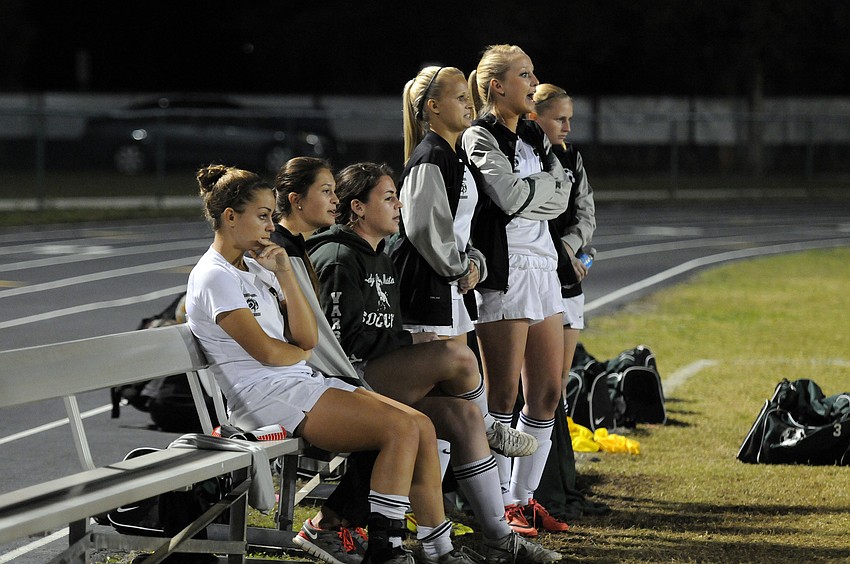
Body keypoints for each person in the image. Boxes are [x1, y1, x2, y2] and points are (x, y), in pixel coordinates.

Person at [184, 164, 452, 564]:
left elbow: (306, 337)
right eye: (263, 215)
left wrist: (285, 273)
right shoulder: (213, 277)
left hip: (299, 383)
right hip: (265, 399)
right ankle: (386, 550)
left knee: (421, 426)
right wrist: (295, 353)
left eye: (272, 216)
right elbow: (269, 353)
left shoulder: (258, 268)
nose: (271, 225)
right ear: (230, 216)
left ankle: (439, 551)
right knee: (400, 430)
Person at [308, 162, 562, 563]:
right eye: (389, 198)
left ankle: (477, 542)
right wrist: (413, 341)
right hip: (341, 383)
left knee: (461, 417)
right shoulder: (339, 256)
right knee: (455, 355)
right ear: (357, 207)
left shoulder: (381, 254)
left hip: (375, 375)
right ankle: (491, 426)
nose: (398, 206)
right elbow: (342, 343)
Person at [461, 44, 572, 536]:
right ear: (497, 87)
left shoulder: (532, 132)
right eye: (524, 75)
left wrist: (535, 196)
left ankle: (522, 500)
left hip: (544, 265)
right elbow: (503, 198)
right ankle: (495, 509)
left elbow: (563, 190)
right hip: (506, 272)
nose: (534, 82)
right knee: (502, 400)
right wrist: (538, 193)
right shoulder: (477, 136)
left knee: (546, 392)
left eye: (533, 72)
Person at [530, 84, 597, 414]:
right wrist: (561, 254)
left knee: (556, 390)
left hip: (569, 277)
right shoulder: (526, 156)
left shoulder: (572, 156)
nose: (567, 127)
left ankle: (557, 461)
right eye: (559, 119)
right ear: (535, 117)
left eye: (569, 119)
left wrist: (570, 249)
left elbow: (587, 214)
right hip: (538, 276)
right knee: (532, 389)